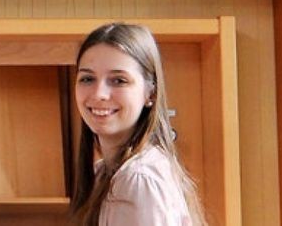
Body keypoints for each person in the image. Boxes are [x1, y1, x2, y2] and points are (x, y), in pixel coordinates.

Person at [70, 23, 206, 226]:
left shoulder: (140, 178)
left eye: (119, 80)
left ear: (150, 93)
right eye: (87, 78)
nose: (99, 93)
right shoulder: (105, 173)